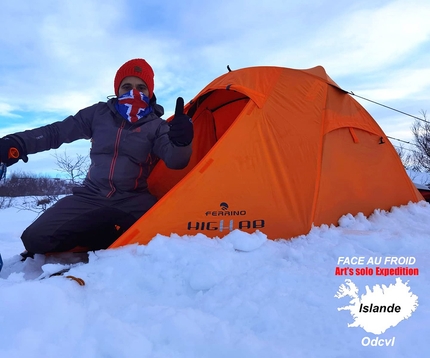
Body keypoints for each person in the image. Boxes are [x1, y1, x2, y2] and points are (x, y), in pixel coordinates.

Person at [0, 58, 193, 257]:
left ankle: (111, 240)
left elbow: (176, 161)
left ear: (149, 92)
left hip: (135, 199)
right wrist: (18, 143)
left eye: (141, 87)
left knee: (163, 240)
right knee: (35, 239)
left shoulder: (158, 126)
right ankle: (103, 237)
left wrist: (182, 142)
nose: (133, 92)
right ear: (117, 89)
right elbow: (56, 133)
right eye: (126, 86)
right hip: (91, 196)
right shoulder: (98, 114)